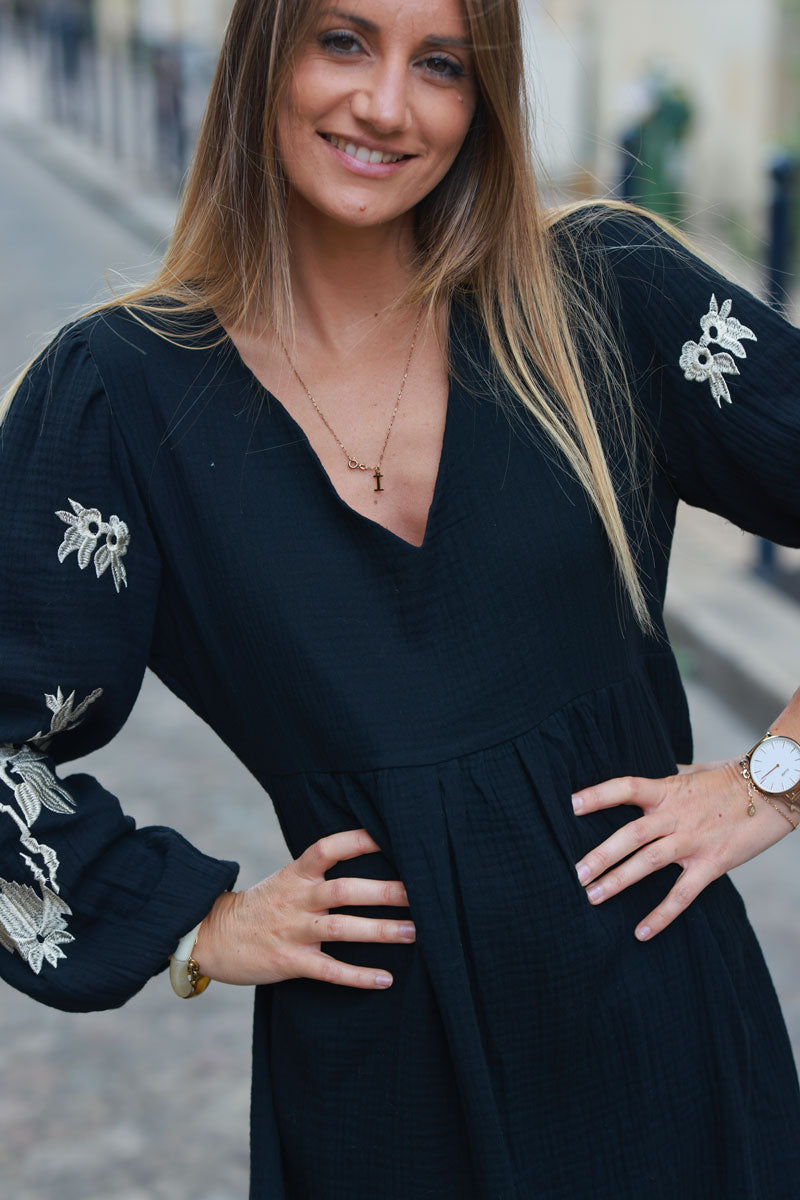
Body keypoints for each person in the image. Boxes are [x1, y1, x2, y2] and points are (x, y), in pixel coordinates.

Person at [2, 0, 800, 1195]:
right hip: (381, 1098)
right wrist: (196, 927)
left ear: (481, 101)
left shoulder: (595, 298)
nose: (384, 104)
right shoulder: (117, 401)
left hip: (665, 1050)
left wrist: (770, 780)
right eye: (341, 41)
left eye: (439, 64)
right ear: (261, 56)